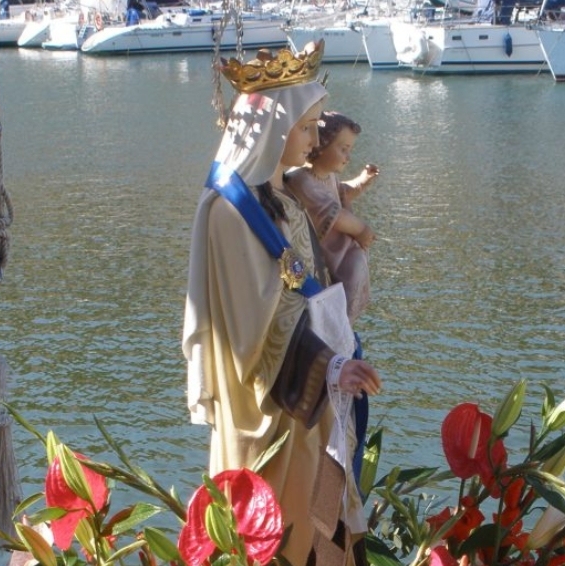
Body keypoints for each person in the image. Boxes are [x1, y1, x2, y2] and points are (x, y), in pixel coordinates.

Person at [182, 40, 382, 565]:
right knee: (278, 530)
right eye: (306, 127)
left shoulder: (284, 194)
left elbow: (302, 281)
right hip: (272, 405)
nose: (316, 141)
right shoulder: (230, 212)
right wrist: (329, 364)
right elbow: (250, 329)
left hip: (308, 402)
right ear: (273, 128)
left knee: (318, 520)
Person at [286, 112, 379, 324]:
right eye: (343, 149)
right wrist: (361, 230)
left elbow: (341, 193)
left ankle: (345, 323)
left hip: (343, 252)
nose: (348, 157)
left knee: (355, 272)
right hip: (328, 257)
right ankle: (341, 324)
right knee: (351, 273)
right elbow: (333, 214)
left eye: (350, 150)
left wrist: (362, 181)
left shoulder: (329, 177)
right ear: (320, 145)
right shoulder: (302, 179)